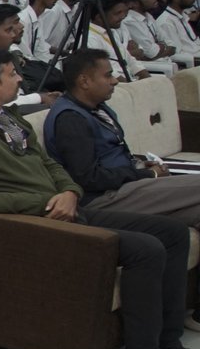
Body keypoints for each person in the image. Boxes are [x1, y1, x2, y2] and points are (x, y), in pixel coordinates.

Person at [0, 47, 200, 349]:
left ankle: (168, 344)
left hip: (67, 207)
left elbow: (48, 163)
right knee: (146, 249)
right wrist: (46, 201)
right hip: (39, 221)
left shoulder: (6, 116)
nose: (20, 79)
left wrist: (69, 190)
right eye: (12, 74)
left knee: (173, 233)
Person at [44, 49, 200, 226]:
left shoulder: (95, 107)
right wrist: (147, 174)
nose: (115, 81)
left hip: (125, 186)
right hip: (103, 197)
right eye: (108, 75)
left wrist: (140, 166)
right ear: (84, 81)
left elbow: (111, 153)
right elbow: (88, 178)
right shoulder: (71, 119)